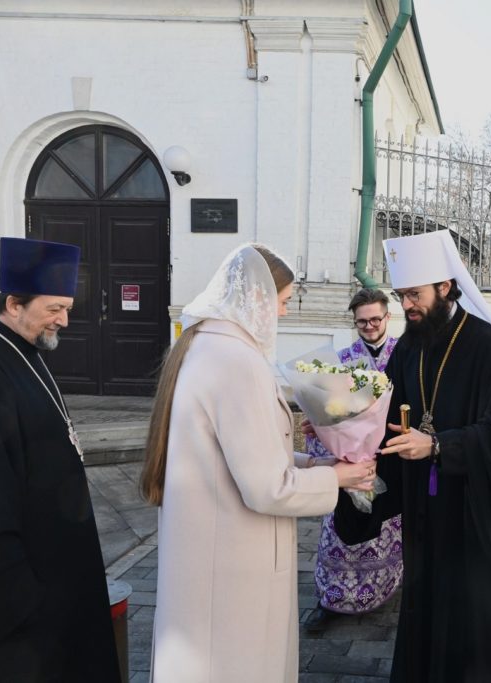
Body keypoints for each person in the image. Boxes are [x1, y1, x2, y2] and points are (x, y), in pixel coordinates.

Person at [143, 243, 375, 683]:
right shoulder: (238, 362)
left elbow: (236, 453)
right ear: (257, 298)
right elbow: (267, 488)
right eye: (283, 301)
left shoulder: (202, 345)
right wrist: (337, 477)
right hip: (235, 560)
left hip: (208, 550)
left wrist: (313, 464)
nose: (283, 313)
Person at [333, 230, 491, 682]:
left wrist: (439, 445)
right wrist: (344, 433)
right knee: (426, 612)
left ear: (445, 287)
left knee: (471, 623)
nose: (407, 306)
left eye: (414, 295)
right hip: (425, 512)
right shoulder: (409, 346)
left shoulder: (488, 345)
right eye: (401, 296)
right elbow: (387, 419)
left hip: (472, 515)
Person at [0, 237, 121, 682]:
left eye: (67, 309)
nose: (64, 320)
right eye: (54, 308)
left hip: (53, 572)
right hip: (18, 595)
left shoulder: (25, 352)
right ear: (14, 304)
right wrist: (18, 604)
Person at [304, 288, 403, 630]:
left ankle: (384, 590)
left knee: (385, 528)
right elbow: (327, 411)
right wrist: (319, 428)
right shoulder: (341, 361)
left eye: (376, 319)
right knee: (339, 532)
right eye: (362, 322)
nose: (370, 326)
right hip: (347, 460)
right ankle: (332, 599)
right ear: (354, 322)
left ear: (387, 317)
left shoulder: (404, 355)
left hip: (390, 457)